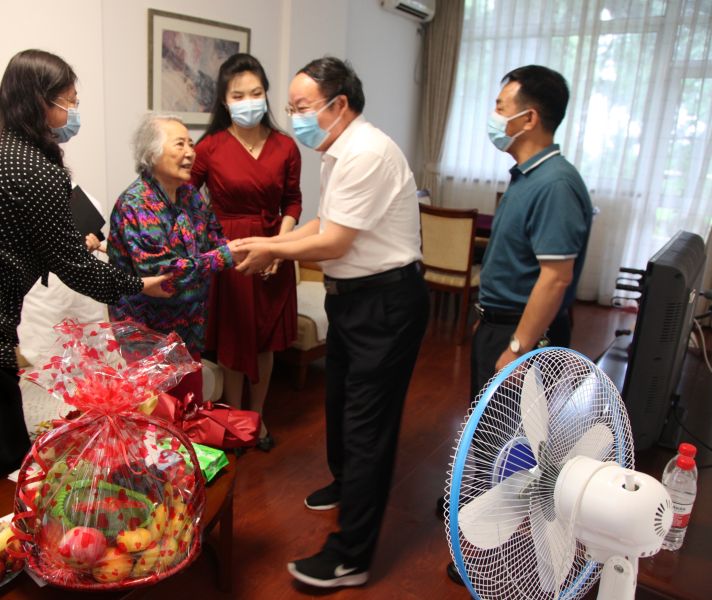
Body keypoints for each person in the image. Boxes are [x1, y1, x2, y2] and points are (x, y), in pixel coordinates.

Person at [235, 56, 429, 588]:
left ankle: (351, 557)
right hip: (351, 300)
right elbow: (326, 221)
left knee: (368, 428)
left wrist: (271, 249)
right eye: (291, 107)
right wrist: (274, 243)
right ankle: (347, 485)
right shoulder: (337, 151)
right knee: (341, 405)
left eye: (302, 107)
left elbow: (335, 242)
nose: (295, 118)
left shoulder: (366, 152)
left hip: (384, 305)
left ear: (338, 104)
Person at [446, 65, 593, 585]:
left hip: (523, 333)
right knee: (489, 430)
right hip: (500, 324)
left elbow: (555, 277)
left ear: (528, 118)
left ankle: (489, 554)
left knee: (511, 443)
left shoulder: (556, 183)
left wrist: (517, 345)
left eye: (500, 107)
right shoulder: (528, 175)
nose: (494, 116)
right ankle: (473, 516)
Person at [0, 49, 170, 476]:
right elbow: (75, 266)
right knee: (11, 460)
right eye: (70, 102)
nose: (74, 114)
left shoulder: (7, 151)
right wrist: (139, 284)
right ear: (42, 102)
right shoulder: (37, 170)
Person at [191, 53, 302, 451]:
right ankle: (233, 418)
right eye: (238, 95)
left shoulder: (286, 146)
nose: (248, 101)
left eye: (256, 93)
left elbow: (292, 201)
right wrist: (209, 243)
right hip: (229, 252)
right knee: (233, 339)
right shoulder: (209, 147)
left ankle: (257, 417)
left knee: (265, 340)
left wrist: (279, 248)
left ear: (266, 94)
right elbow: (186, 200)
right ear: (224, 100)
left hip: (274, 248)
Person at [108, 113, 242, 403]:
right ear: (152, 152)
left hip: (189, 328)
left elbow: (215, 237)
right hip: (147, 337)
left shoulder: (190, 195)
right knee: (158, 415)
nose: (190, 153)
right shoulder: (136, 204)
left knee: (189, 409)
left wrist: (246, 251)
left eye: (191, 144)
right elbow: (163, 275)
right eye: (180, 144)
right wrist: (225, 256)